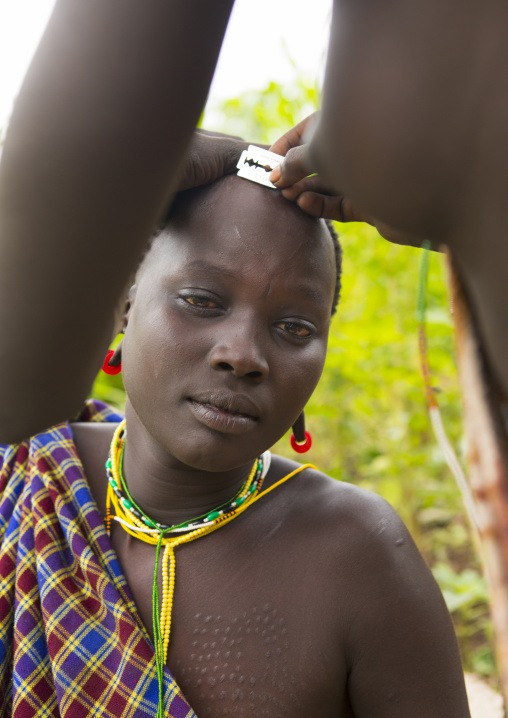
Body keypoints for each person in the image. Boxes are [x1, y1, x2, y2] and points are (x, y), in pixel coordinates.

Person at [0, 168, 470, 717]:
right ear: (126, 306)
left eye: (294, 328)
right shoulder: (27, 474)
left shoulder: (358, 557)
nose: (243, 354)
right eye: (202, 300)